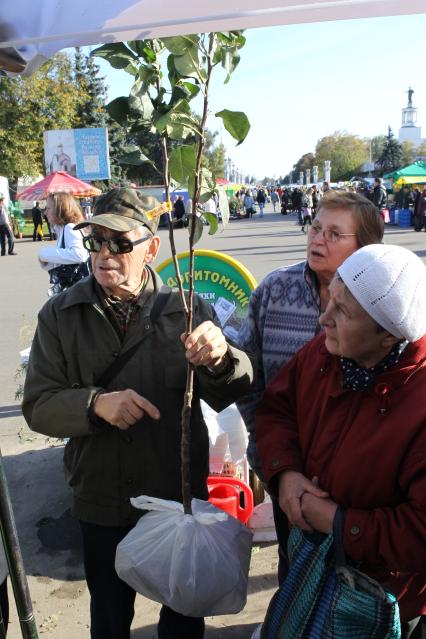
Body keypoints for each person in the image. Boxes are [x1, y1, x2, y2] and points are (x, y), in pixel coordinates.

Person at [22, 187, 255, 639]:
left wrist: (221, 358)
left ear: (150, 248)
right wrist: (94, 405)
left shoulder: (186, 311)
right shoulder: (60, 315)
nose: (105, 253)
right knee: (109, 618)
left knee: (183, 615)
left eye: (120, 243)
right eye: (96, 241)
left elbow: (234, 387)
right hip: (101, 498)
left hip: (174, 495)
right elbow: (37, 405)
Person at [256, 244, 426, 638]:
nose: (323, 319)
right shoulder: (326, 351)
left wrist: (339, 524)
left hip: (386, 605)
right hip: (313, 570)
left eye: (343, 312)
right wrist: (286, 473)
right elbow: (277, 410)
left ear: (388, 337)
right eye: (330, 300)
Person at [236, 191, 384, 583]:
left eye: (334, 234)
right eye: (316, 227)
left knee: (358, 591)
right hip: (287, 479)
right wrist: (272, 466)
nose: (317, 239)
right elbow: (252, 382)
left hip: (362, 495)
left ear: (365, 246)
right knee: (296, 582)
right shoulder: (274, 290)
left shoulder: (385, 303)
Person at [38, 193, 90, 295]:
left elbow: (79, 255)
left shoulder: (69, 227)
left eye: (48, 208)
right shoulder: (63, 228)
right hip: (75, 287)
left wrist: (44, 254)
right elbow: (66, 260)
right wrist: (47, 262)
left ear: (60, 209)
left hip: (77, 288)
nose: (45, 212)